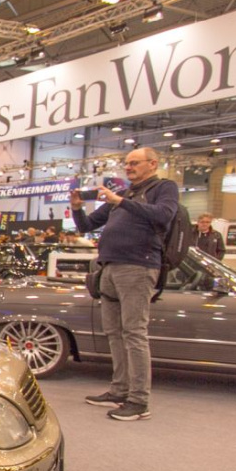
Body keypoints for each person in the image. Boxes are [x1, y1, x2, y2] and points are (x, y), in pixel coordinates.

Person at [70, 147, 179, 422]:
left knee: (134, 333)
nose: (128, 167)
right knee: (114, 333)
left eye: (134, 163)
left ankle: (139, 401)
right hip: (110, 268)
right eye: (127, 163)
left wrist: (119, 201)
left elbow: (163, 215)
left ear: (152, 164)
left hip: (138, 267)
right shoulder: (126, 194)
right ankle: (119, 390)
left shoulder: (164, 188)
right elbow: (86, 226)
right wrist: (77, 208)